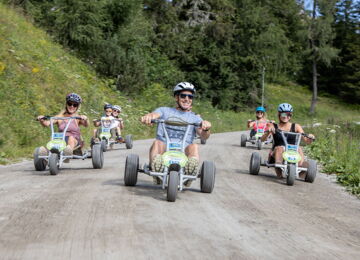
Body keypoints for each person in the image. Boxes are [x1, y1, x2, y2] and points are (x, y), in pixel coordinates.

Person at [140, 82, 211, 185]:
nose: (187, 99)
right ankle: (157, 168)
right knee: (157, 143)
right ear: (176, 97)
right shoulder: (164, 110)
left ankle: (190, 170)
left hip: (184, 150)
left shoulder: (195, 118)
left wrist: (206, 128)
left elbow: (204, 136)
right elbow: (155, 114)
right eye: (183, 96)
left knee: (194, 146)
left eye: (190, 96)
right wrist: (149, 117)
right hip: (164, 148)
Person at [261, 103, 315, 178]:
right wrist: (268, 131)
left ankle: (301, 167)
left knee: (299, 148)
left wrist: (310, 137)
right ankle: (279, 167)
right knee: (279, 148)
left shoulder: (296, 126)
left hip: (292, 152)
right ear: (279, 114)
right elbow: (262, 139)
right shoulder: (273, 126)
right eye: (283, 114)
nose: (286, 116)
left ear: (290, 116)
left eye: (288, 114)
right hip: (276, 152)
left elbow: (306, 140)